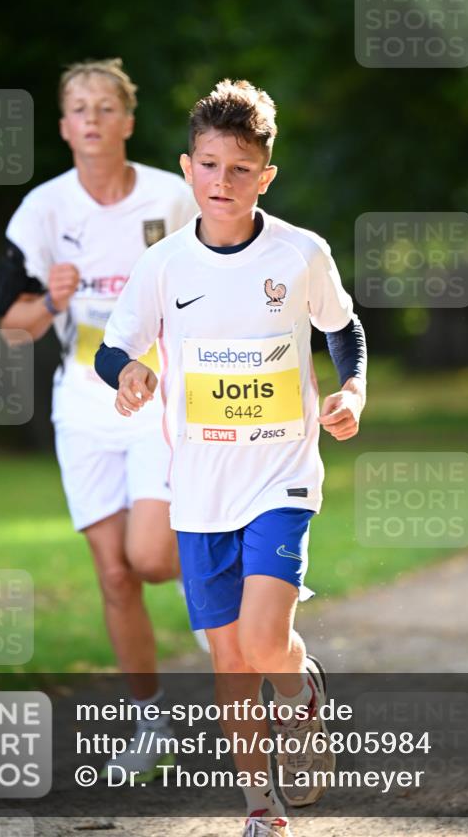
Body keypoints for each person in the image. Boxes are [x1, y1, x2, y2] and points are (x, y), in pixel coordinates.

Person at [95, 79, 367, 837]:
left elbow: (343, 329)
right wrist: (128, 372)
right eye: (210, 166)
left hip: (280, 477)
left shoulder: (300, 254)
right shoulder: (163, 265)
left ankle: (302, 701)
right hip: (199, 491)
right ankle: (259, 808)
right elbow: (113, 345)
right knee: (229, 663)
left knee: (259, 641)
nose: (223, 183)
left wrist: (353, 391)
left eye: (239, 169)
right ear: (188, 169)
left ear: (264, 176)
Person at [0, 58, 197, 777]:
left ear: (127, 122)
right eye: (78, 108)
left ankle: (217, 595)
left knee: (151, 558)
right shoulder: (42, 211)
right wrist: (51, 300)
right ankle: (152, 725)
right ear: (62, 126)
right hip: (81, 407)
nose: (91, 118)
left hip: (158, 400)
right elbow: (10, 326)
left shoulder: (173, 199)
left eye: (105, 107)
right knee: (114, 575)